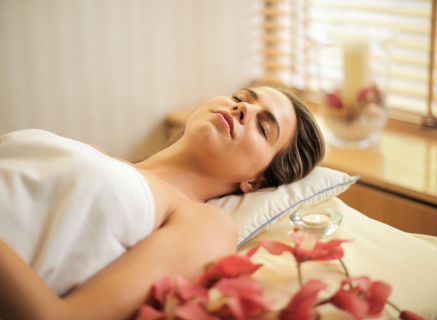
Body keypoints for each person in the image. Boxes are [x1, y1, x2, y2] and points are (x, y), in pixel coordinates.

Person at [0, 86, 325, 320]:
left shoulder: (203, 222)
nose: (243, 109)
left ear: (256, 182)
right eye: (241, 98)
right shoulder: (93, 153)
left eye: (263, 126)